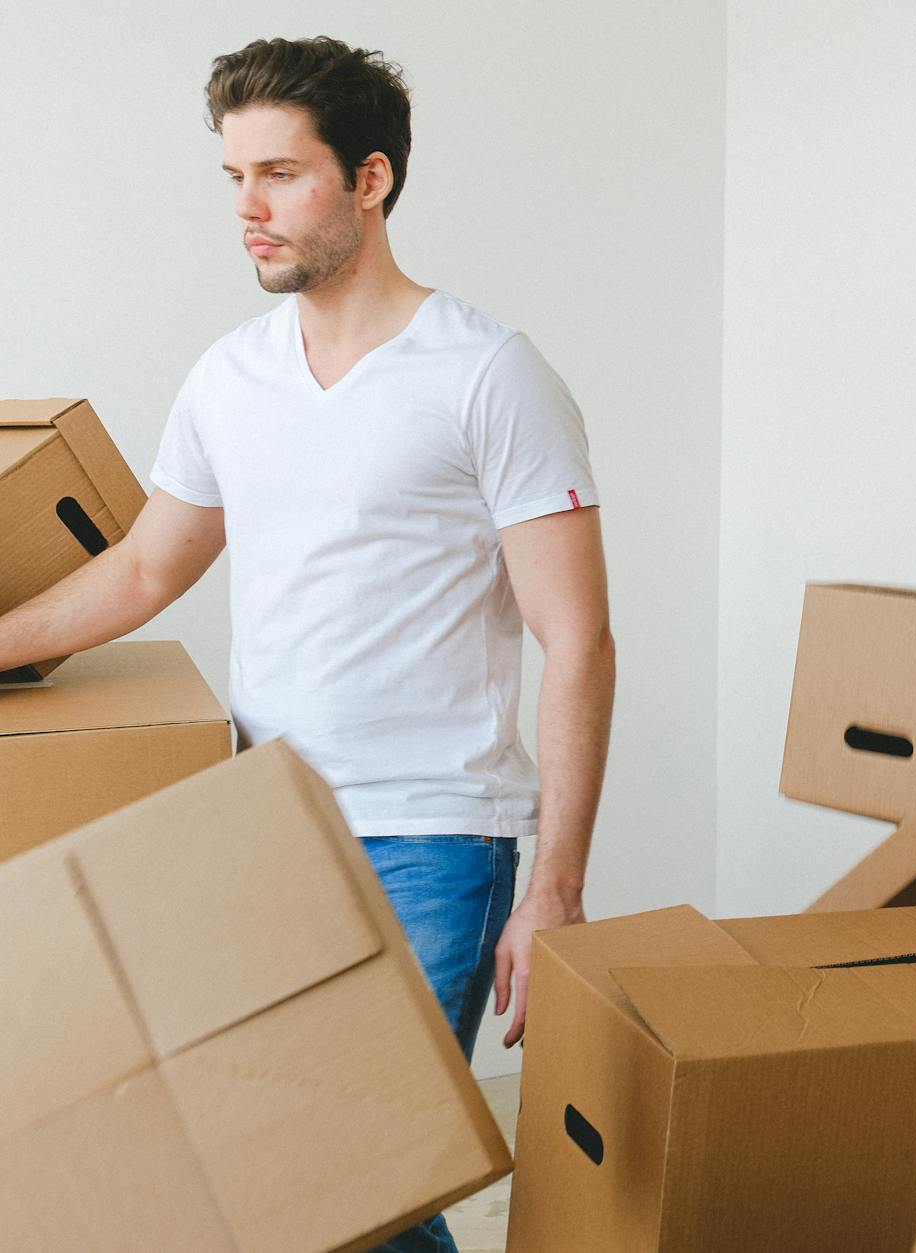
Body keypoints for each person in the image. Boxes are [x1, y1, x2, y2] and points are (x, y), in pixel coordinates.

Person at [0, 37, 613, 1253]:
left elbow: (578, 637)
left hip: (433, 837)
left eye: (279, 174)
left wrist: (553, 888)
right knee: (301, 1176)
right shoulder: (231, 376)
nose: (247, 208)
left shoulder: (487, 373)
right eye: (234, 176)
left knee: (351, 1175)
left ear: (370, 180)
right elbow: (144, 568)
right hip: (261, 823)